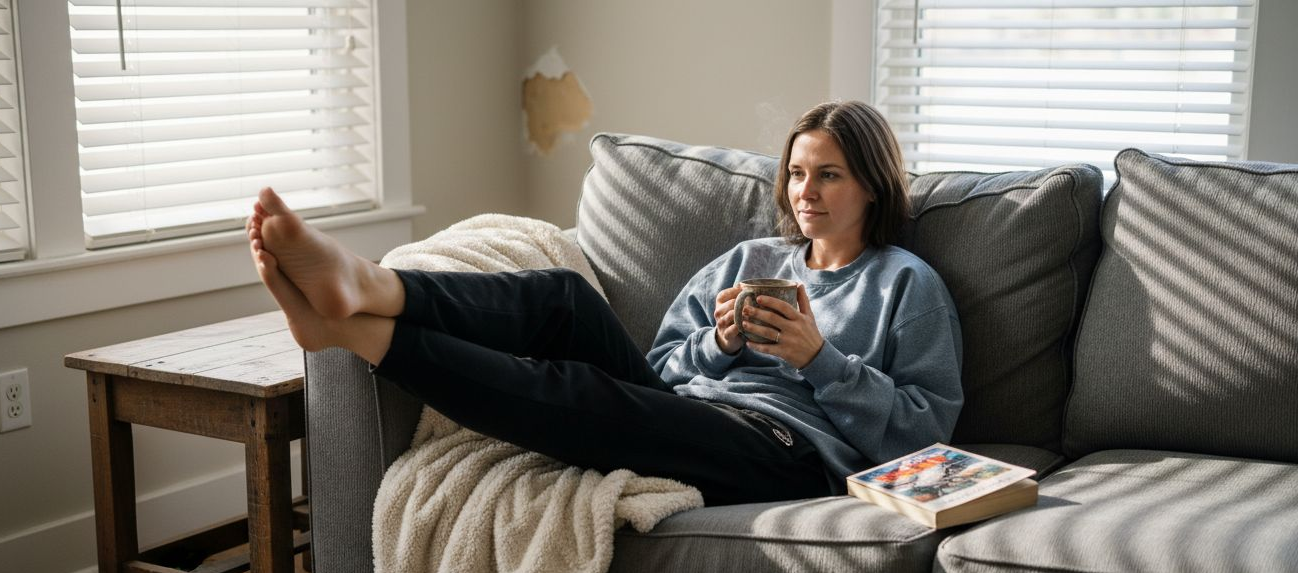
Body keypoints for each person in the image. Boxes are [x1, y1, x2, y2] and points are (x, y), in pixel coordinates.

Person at [246, 100, 963, 507]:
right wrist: (718, 345)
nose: (805, 192)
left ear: (870, 184)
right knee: (563, 296)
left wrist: (821, 360)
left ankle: (354, 334)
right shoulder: (750, 262)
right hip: (692, 408)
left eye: (829, 176)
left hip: (785, 453)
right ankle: (372, 287)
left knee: (585, 393)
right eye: (798, 173)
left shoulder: (905, 284)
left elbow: (923, 438)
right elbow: (659, 366)